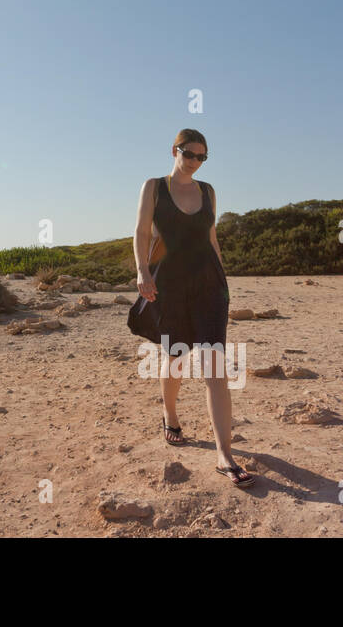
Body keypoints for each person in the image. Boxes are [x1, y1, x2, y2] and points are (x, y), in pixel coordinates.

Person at [134, 128, 256, 488]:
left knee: (215, 366)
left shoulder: (208, 192)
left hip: (209, 287)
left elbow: (212, 238)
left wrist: (224, 283)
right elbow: (142, 232)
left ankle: (225, 455)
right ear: (174, 150)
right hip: (169, 287)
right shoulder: (154, 187)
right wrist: (142, 272)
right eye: (190, 155)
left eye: (202, 157)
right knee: (175, 357)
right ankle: (170, 416)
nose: (195, 163)